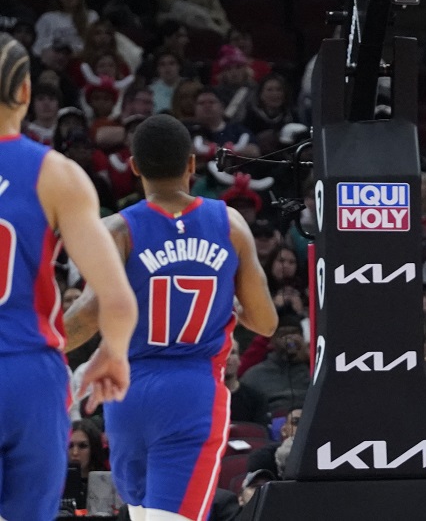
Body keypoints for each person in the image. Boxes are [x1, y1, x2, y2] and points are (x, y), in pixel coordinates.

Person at [61, 113, 278, 521]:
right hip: (192, 393)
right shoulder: (229, 224)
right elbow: (265, 322)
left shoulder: (116, 229)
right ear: (192, 163)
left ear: (135, 166)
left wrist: (32, 344)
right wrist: (224, 300)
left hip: (128, 393)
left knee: (142, 515)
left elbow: (86, 317)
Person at [0, 33, 138, 521]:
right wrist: (111, 354)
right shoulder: (57, 174)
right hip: (29, 374)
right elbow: (117, 300)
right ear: (25, 93)